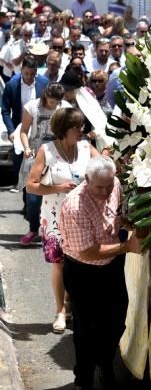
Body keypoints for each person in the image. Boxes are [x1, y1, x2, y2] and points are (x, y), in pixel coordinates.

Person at [60, 156, 142, 390]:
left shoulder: (113, 183)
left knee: (117, 320)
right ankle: (83, 380)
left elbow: (117, 213)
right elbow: (89, 251)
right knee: (86, 328)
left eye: (109, 185)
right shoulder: (75, 205)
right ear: (86, 180)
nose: (106, 191)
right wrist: (127, 247)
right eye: (99, 187)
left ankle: (105, 365)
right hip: (83, 271)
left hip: (112, 265)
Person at [26, 107, 99, 334]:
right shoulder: (46, 151)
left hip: (83, 216)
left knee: (79, 261)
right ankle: (59, 310)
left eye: (82, 126)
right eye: (76, 126)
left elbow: (107, 168)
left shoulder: (87, 148)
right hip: (55, 216)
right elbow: (31, 185)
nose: (81, 130)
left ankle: (69, 304)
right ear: (63, 129)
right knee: (59, 263)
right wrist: (58, 187)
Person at [18, 83, 69, 245]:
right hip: (35, 153)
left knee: (58, 194)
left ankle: (57, 231)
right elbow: (24, 130)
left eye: (57, 102)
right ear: (46, 95)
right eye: (52, 102)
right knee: (33, 197)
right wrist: (26, 148)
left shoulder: (65, 107)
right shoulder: (32, 106)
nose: (54, 105)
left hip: (57, 155)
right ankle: (33, 229)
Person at [1, 56, 48, 190]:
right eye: (26, 73)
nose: (29, 77)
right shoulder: (12, 85)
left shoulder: (44, 83)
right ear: (21, 70)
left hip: (40, 131)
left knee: (39, 168)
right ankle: (26, 199)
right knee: (22, 168)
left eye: (33, 74)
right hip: (20, 132)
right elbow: (5, 110)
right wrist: (11, 131)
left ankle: (32, 205)